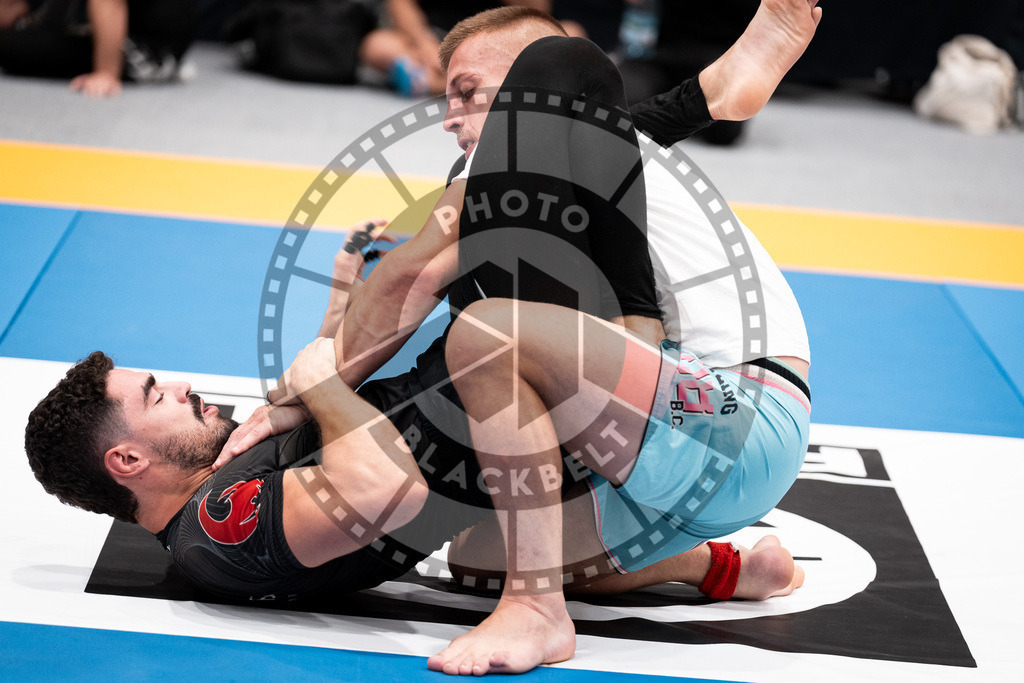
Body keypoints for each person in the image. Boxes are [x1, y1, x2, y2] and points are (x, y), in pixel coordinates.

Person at [0, 0, 195, 97]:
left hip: (147, 52)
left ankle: (110, 66)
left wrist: (106, 73)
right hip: (148, 39)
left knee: (9, 46)